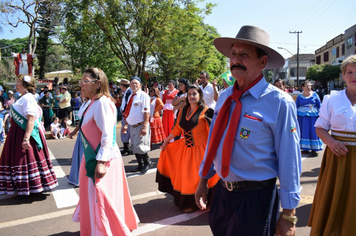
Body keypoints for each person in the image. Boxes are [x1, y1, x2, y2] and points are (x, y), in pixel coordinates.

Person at [194, 25, 301, 236]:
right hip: (223, 195)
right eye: (233, 54)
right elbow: (214, 144)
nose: (235, 60)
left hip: (256, 199)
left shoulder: (279, 102)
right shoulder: (224, 97)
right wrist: (203, 180)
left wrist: (288, 215)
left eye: (244, 55)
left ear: (263, 62)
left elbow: (290, 160)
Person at [72, 68, 139, 235]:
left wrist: (101, 162)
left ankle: (108, 230)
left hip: (103, 160)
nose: (81, 84)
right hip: (91, 157)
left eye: (85, 81)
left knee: (102, 199)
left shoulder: (103, 102)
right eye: (81, 81)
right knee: (94, 199)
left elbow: (108, 135)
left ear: (98, 83)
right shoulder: (90, 102)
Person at [308, 55, 356, 235]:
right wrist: (331, 142)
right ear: (343, 76)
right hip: (337, 158)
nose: (353, 76)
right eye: (349, 72)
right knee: (335, 200)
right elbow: (320, 127)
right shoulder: (331, 99)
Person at [157, 85, 220, 213]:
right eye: (189, 94)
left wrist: (214, 152)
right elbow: (176, 130)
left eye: (194, 94)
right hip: (186, 149)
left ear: (200, 96)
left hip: (201, 150)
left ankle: (204, 200)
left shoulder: (206, 111)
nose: (191, 96)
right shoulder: (182, 112)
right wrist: (166, 142)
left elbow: (213, 134)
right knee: (187, 177)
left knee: (198, 177)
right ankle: (190, 202)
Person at [0, 74, 58, 198]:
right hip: (16, 132)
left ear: (26, 85)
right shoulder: (23, 97)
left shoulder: (28, 98)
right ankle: (22, 186)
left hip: (24, 133)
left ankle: (31, 186)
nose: (16, 84)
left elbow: (31, 119)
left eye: (18, 82)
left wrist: (26, 138)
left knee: (26, 158)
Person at [121, 77, 152, 174]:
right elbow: (128, 112)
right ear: (130, 85)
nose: (134, 85)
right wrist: (126, 125)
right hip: (132, 126)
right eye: (132, 83)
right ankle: (140, 164)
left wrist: (144, 126)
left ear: (140, 85)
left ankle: (147, 162)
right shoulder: (131, 96)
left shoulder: (143, 95)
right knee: (134, 146)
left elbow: (146, 112)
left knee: (141, 146)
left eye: (136, 83)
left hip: (140, 125)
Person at [296, 81, 323, 157]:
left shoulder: (315, 95)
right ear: (303, 87)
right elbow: (296, 106)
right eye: (307, 86)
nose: (309, 87)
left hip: (313, 116)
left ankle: (314, 148)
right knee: (304, 131)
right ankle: (305, 148)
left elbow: (319, 105)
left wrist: (321, 115)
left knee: (313, 130)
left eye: (310, 86)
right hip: (302, 116)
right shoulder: (299, 96)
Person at [68, 99, 91, 186]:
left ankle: (85, 179)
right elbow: (80, 121)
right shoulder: (84, 103)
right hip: (81, 132)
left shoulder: (91, 102)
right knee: (79, 156)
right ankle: (79, 178)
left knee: (84, 156)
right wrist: (74, 132)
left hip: (87, 133)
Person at [120, 79, 133, 155]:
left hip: (127, 114)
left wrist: (124, 111)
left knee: (125, 131)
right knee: (126, 132)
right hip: (126, 114)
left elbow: (128, 104)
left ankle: (127, 148)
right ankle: (126, 148)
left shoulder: (128, 92)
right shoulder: (127, 92)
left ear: (122, 86)